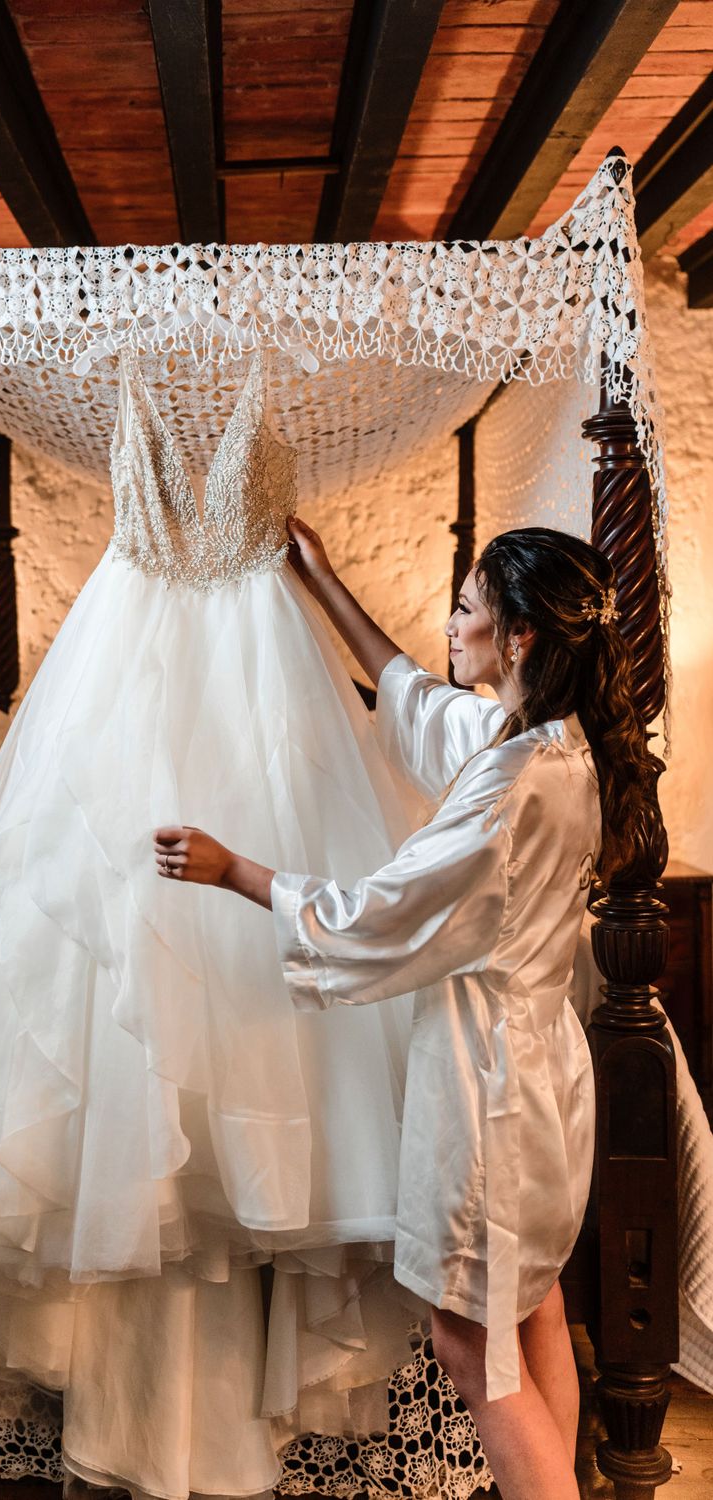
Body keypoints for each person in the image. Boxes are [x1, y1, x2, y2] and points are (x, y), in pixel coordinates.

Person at [155, 517, 655, 1500]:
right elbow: (416, 703)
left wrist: (234, 871)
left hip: (489, 1098)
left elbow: (377, 910)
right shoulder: (550, 746)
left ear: (517, 636)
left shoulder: (513, 787)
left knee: (466, 1340)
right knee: (533, 1307)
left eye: (466, 606)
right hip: (544, 1078)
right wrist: (328, 584)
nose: (450, 622)